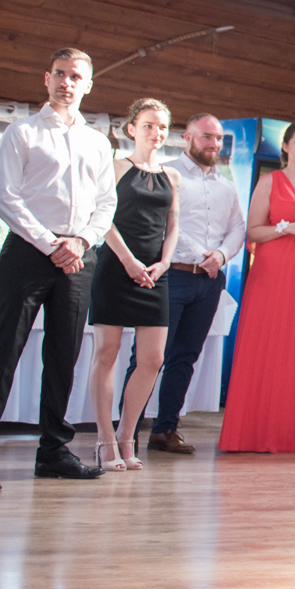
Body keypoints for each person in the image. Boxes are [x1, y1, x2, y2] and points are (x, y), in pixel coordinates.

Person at [0, 48, 118, 490]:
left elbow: (107, 202)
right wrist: (53, 244)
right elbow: (6, 199)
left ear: (88, 85)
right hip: (29, 253)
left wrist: (81, 241)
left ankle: (53, 451)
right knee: (2, 354)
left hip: (80, 255)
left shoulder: (98, 142)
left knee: (63, 357)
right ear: (46, 78)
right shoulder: (21, 132)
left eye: (77, 77)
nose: (67, 82)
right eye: (61, 74)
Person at [216, 122, 295, 454]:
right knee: (268, 343)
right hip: (273, 270)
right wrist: (285, 227)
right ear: (285, 146)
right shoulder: (269, 182)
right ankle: (253, 433)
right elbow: (253, 232)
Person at [132, 112, 245, 454]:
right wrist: (203, 255)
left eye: (219, 138)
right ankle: (127, 432)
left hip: (209, 283)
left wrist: (221, 256)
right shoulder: (165, 173)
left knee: (185, 358)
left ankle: (165, 430)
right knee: (149, 357)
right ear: (188, 138)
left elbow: (238, 229)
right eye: (206, 136)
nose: (213, 144)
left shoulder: (227, 186)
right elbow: (162, 226)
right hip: (171, 276)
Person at [85, 98, 180, 472]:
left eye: (161, 127)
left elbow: (173, 224)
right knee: (106, 354)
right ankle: (105, 440)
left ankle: (127, 436)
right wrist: (128, 260)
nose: (156, 134)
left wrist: (165, 262)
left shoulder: (172, 176)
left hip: (155, 273)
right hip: (115, 266)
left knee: (153, 359)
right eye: (148, 125)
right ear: (131, 129)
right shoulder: (115, 166)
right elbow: (101, 217)